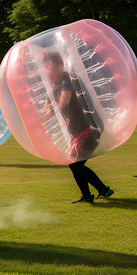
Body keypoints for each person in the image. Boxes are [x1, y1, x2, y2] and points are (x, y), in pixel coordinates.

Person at [41, 51, 114, 203]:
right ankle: (103, 190)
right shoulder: (55, 86)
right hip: (78, 132)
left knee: (75, 163)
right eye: (46, 68)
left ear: (60, 66)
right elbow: (48, 110)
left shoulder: (68, 80)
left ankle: (88, 197)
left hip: (88, 130)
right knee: (77, 164)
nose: (48, 72)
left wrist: (53, 105)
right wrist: (40, 118)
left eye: (51, 67)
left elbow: (64, 101)